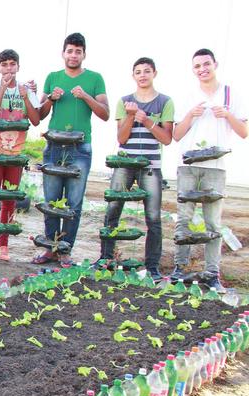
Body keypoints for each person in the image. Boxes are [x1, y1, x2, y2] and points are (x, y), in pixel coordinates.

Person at [172, 48, 247, 290]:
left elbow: (243, 131)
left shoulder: (229, 93)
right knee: (183, 218)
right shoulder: (187, 95)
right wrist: (189, 116)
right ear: (193, 70)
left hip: (215, 168)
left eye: (206, 64)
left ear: (215, 64)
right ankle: (179, 267)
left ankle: (212, 272)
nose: (202, 69)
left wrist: (226, 115)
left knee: (213, 222)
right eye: (197, 66)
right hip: (188, 166)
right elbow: (176, 134)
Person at [34, 32, 109, 267]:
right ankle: (50, 248)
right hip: (54, 146)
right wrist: (51, 99)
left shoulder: (95, 79)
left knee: (73, 203)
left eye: (78, 51)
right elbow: (39, 115)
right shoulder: (52, 77)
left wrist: (85, 96)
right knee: (52, 200)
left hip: (80, 149)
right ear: (63, 53)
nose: (74, 55)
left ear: (84, 54)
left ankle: (65, 250)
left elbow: (105, 113)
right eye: (70, 50)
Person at [99, 57, 174, 280]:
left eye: (147, 71)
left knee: (153, 218)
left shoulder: (165, 102)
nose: (142, 75)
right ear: (133, 75)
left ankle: (152, 267)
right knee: (113, 210)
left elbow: (167, 138)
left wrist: (148, 121)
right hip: (125, 164)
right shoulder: (125, 101)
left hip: (151, 166)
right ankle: (106, 259)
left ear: (154, 74)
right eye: (138, 72)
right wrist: (132, 116)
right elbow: (121, 138)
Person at [0, 49, 40, 261]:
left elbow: (35, 120)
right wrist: (2, 89)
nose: (8, 68)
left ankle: (3, 244)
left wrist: (26, 96)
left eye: (12, 64)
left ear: (18, 66)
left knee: (10, 198)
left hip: (16, 152)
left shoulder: (26, 89)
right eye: (4, 65)